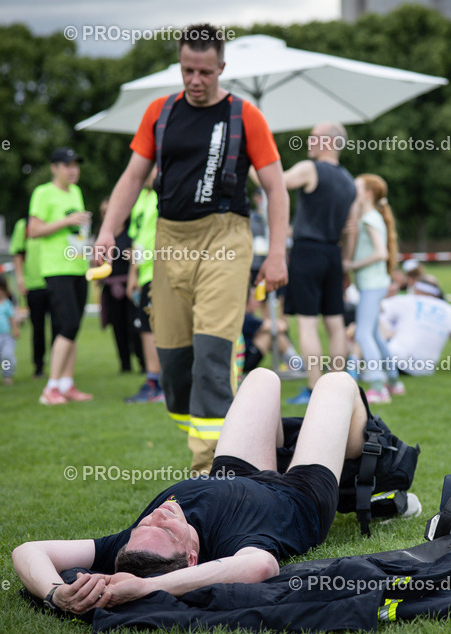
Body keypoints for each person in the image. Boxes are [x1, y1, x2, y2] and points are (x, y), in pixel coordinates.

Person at [94, 24, 289, 473]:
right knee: (175, 364)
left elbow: (277, 190)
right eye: (187, 70)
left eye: (204, 72)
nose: (195, 80)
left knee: (212, 355)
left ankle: (214, 468)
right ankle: (253, 440)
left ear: (221, 67)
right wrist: (107, 233)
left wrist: (276, 254)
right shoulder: (159, 114)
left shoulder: (245, 116)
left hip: (226, 236)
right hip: (169, 240)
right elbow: (131, 178)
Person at [12, 369, 366, 613]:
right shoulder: (231, 548)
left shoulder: (131, 551)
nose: (158, 514)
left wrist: (56, 594)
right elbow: (262, 566)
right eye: (165, 529)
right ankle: (367, 455)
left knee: (262, 378)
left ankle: (291, 442)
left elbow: (29, 549)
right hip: (299, 495)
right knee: (335, 382)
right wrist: (150, 589)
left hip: (232, 474)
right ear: (192, 556)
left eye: (144, 524)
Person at [283, 122, 357, 405]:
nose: (308, 142)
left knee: (307, 324)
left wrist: (250, 161)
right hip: (333, 254)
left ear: (329, 141)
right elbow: (351, 227)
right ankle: (336, 387)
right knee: (335, 323)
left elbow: (278, 182)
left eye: (313, 138)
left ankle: (314, 388)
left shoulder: (309, 169)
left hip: (307, 252)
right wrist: (346, 262)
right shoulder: (350, 181)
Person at [28, 147, 94, 405]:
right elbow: (34, 230)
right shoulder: (43, 193)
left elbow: (78, 233)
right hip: (56, 268)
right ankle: (51, 387)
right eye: (67, 165)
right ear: (54, 167)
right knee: (67, 325)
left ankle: (67, 384)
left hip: (78, 266)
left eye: (75, 164)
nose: (73, 169)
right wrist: (66, 222)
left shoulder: (76, 192)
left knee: (74, 326)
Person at [343, 173, 403, 403]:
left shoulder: (369, 219)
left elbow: (381, 253)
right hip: (373, 284)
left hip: (371, 285)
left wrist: (351, 265)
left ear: (368, 194)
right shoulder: (369, 217)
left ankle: (378, 386)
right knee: (375, 334)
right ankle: (394, 381)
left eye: (356, 188)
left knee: (363, 333)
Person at [381, 278, 451, 376]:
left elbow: (374, 311)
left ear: (418, 289)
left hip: (395, 359)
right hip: (425, 370)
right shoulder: (449, 309)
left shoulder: (406, 300)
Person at [124, 171, 165, 404]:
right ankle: (153, 381)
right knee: (146, 328)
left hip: (161, 271)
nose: (150, 173)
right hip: (145, 273)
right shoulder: (140, 198)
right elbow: (137, 241)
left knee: (156, 329)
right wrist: (133, 274)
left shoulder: (165, 196)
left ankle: (161, 383)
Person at [97, 197, 146, 375]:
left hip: (129, 286)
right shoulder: (102, 236)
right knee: (117, 327)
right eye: (103, 213)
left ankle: (143, 363)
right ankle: (125, 364)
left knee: (135, 326)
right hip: (110, 288)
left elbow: (139, 254)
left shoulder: (131, 232)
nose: (106, 216)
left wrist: (131, 258)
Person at [10, 217, 59, 379]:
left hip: (55, 281)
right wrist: (20, 279)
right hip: (34, 284)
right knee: (38, 329)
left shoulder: (56, 220)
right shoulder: (23, 224)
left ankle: (57, 366)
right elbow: (17, 252)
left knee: (58, 327)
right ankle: (38, 366)